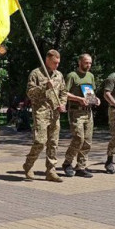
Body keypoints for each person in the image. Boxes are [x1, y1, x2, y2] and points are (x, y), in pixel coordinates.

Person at [22, 49, 68, 182]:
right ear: (47, 60)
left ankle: (51, 170)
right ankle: (29, 164)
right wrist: (45, 87)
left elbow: (63, 92)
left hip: (55, 113)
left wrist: (63, 104)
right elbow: (30, 93)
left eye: (58, 63)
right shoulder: (36, 74)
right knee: (40, 141)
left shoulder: (58, 75)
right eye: (55, 63)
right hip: (41, 112)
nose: (57, 65)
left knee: (53, 143)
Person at [62, 53, 100, 178]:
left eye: (90, 63)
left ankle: (81, 166)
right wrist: (78, 98)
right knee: (78, 139)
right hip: (75, 111)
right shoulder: (72, 76)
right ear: (80, 62)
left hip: (88, 112)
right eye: (86, 62)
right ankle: (67, 163)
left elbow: (90, 94)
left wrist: (96, 100)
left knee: (87, 141)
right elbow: (63, 93)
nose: (88, 65)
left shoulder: (90, 76)